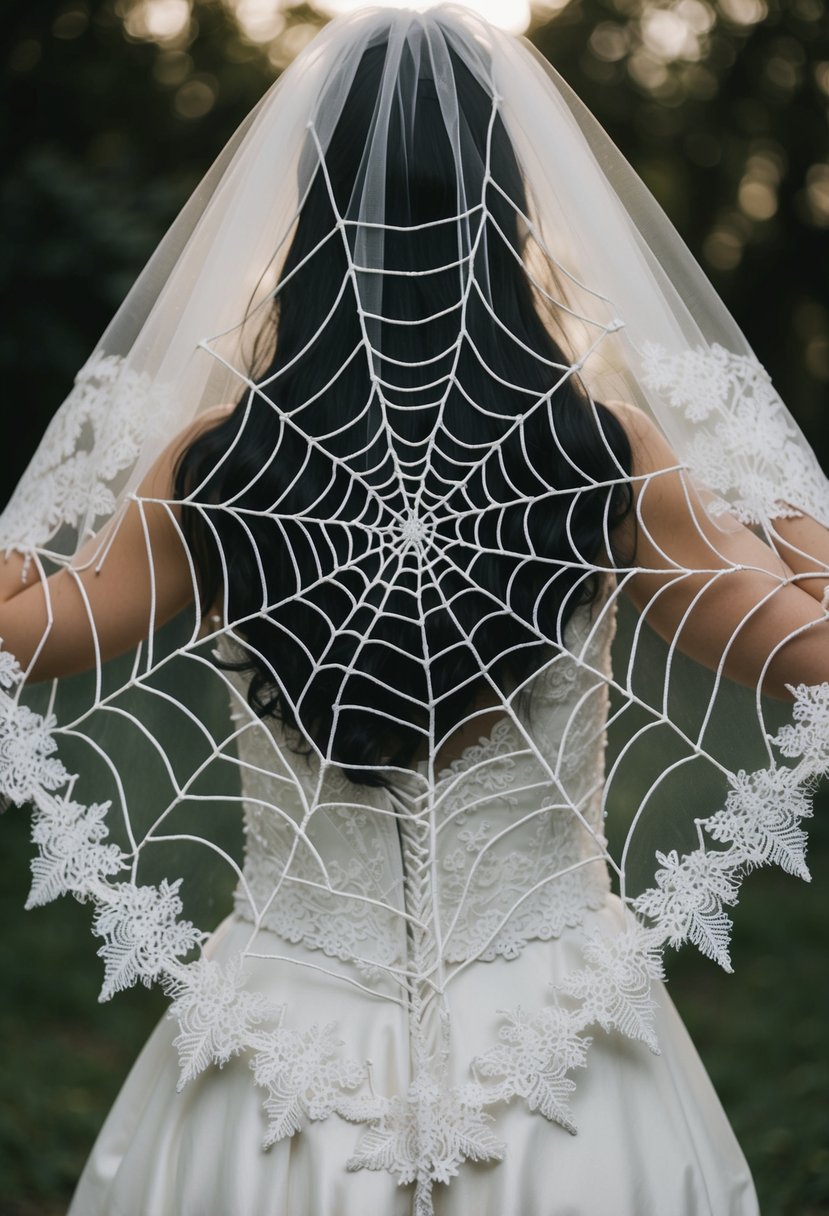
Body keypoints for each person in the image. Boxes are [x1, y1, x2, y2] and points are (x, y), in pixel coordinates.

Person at [1, 6, 828, 1213]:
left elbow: (23, 627)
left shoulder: (224, 465)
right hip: (556, 1059)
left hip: (279, 1067)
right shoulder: (597, 456)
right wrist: (756, 460)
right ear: (508, 203)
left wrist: (82, 467)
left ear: (308, 203)